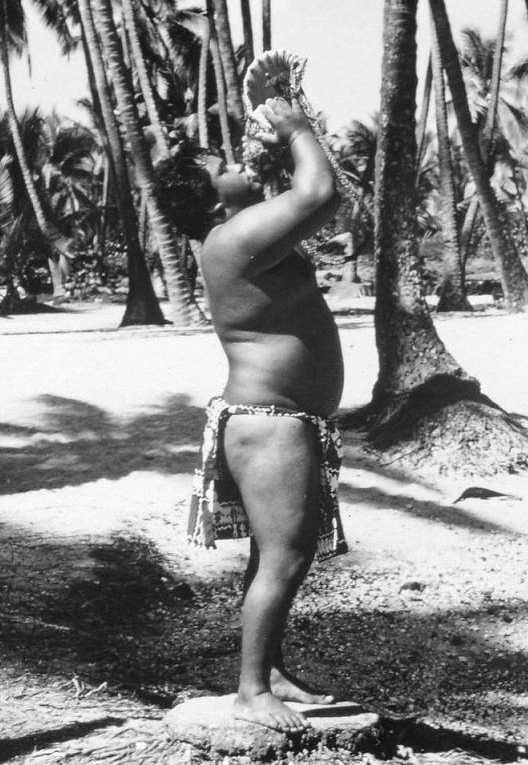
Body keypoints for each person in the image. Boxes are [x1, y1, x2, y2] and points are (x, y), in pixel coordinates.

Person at [155, 98, 346, 734]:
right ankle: (251, 691)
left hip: (277, 419)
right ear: (213, 202)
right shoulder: (233, 236)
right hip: (270, 422)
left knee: (275, 554)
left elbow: (297, 187)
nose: (239, 160)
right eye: (223, 164)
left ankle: (273, 673)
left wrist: (281, 130)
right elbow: (321, 192)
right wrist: (295, 129)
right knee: (286, 557)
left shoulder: (242, 229)